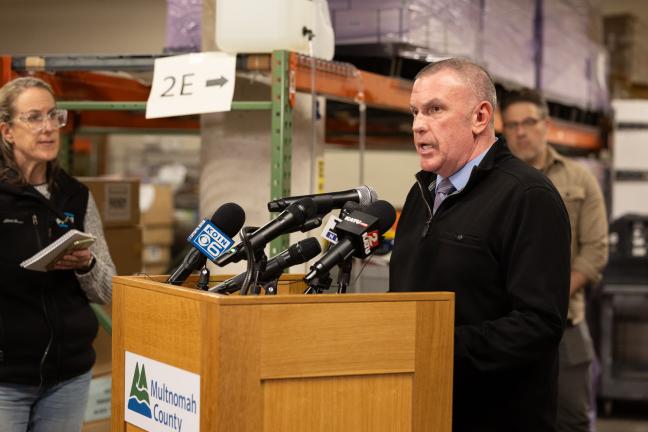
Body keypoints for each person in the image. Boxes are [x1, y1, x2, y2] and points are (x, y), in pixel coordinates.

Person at [389, 58, 571, 432]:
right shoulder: (422, 191)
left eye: (435, 109)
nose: (418, 125)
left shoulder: (526, 196)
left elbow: (539, 324)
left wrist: (437, 348)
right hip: (421, 406)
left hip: (495, 416)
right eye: (414, 112)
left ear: (480, 117)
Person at [0, 76, 116, 432]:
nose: (48, 127)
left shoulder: (75, 196)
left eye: (54, 116)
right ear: (7, 131)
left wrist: (87, 265)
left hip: (69, 376)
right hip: (5, 381)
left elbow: (109, 289)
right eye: (34, 117)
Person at [501, 88, 608, 432]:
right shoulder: (494, 183)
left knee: (571, 419)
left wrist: (550, 297)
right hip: (504, 326)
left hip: (566, 325)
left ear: (546, 124)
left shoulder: (579, 180)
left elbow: (595, 252)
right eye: (513, 125)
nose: (521, 131)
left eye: (529, 122)